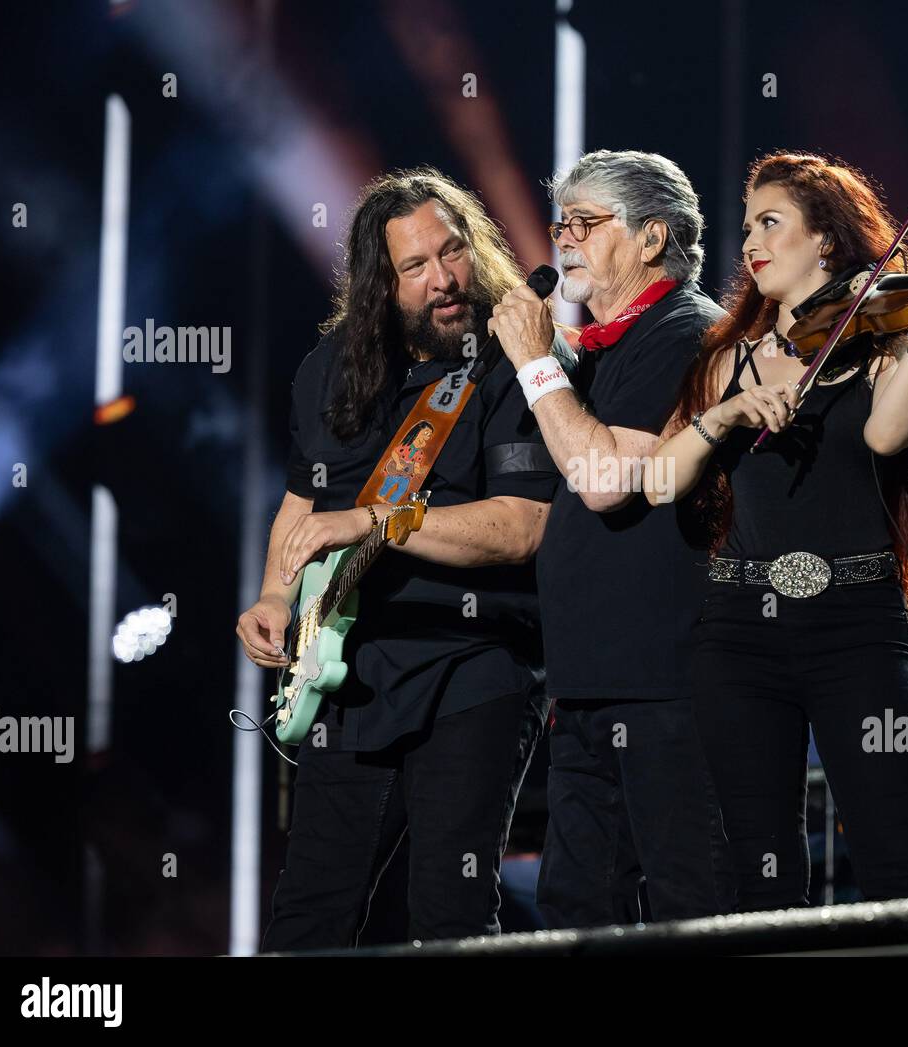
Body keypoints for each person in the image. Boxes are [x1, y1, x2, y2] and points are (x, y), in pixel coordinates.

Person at [644, 151, 908, 910]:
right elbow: (658, 479)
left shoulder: (882, 345)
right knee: (764, 878)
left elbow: (888, 436)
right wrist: (724, 416)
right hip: (741, 631)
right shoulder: (728, 362)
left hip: (857, 627)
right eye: (747, 225)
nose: (751, 240)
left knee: (896, 872)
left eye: (771, 223)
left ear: (825, 241)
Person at [235, 168, 561, 948]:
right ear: (381, 283)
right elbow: (300, 511)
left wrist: (380, 520)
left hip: (474, 665)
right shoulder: (329, 371)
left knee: (449, 916)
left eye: (452, 253)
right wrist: (276, 597)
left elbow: (522, 526)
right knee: (308, 915)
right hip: (345, 675)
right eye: (416, 268)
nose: (445, 280)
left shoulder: (508, 358)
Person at [488, 150, 735, 926]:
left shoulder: (685, 329)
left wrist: (535, 361)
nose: (564, 241)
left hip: (668, 684)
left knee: (689, 901)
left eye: (586, 224)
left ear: (652, 236)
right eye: (560, 224)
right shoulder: (599, 351)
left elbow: (603, 479)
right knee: (576, 910)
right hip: (589, 682)